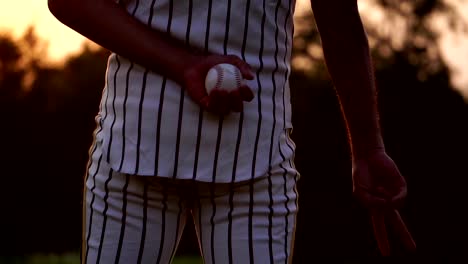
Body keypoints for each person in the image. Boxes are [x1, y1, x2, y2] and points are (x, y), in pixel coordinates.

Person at [48, 0, 415, 263]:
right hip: (136, 149)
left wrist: (368, 147)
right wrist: (185, 65)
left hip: (253, 162)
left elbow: (341, 26)